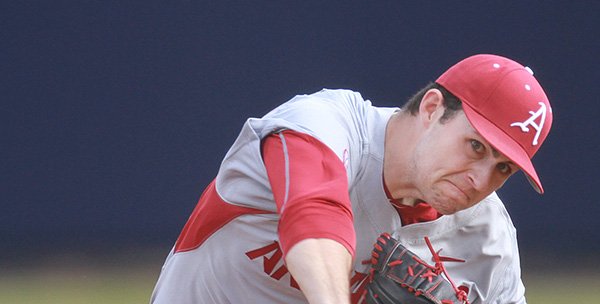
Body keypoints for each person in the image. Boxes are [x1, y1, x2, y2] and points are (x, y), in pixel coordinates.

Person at [150, 54, 553, 304]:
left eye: (504, 168)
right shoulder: (325, 125)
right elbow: (315, 214)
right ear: (432, 108)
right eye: (477, 147)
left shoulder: (488, 237)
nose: (481, 180)